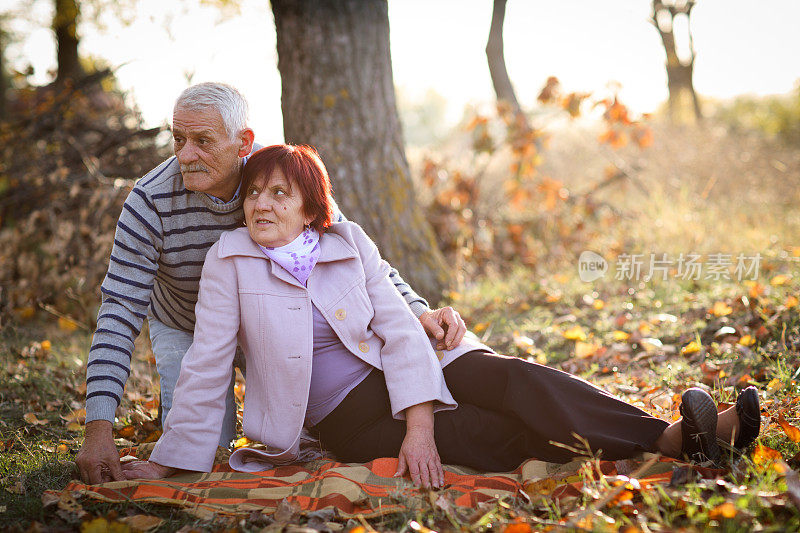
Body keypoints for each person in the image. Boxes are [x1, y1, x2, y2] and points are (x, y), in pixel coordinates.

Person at [120, 145, 761, 488]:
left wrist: (417, 424)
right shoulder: (230, 260)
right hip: (347, 414)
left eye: (278, 192)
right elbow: (206, 363)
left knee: (514, 380)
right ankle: (669, 445)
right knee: (484, 436)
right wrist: (170, 458)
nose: (261, 203)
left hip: (401, 365)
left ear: (310, 208)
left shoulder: (347, 242)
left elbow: (399, 327)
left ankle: (673, 438)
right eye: (254, 192)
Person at [75, 83, 470, 485]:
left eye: (202, 141)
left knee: (298, 422)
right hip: (183, 321)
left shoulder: (280, 174)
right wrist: (98, 429)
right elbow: (119, 312)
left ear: (242, 141)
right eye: (178, 139)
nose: (185, 155)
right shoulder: (149, 202)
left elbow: (358, 258)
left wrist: (417, 311)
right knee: (201, 447)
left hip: (271, 319)